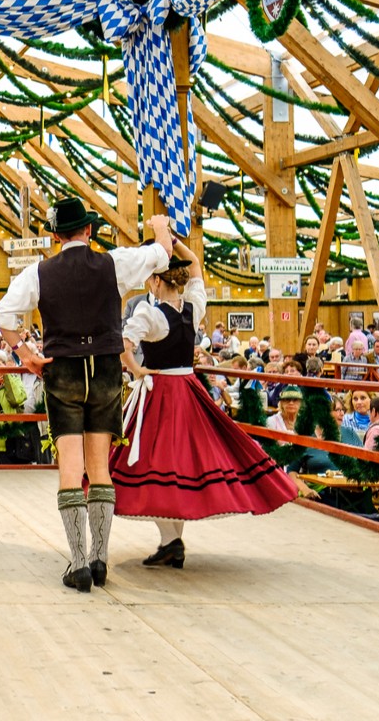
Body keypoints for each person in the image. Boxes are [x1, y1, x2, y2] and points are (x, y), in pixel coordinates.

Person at [0, 197, 172, 592]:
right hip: (106, 369)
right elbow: (162, 255)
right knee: (101, 468)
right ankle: (100, 559)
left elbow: (2, 316)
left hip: (64, 370)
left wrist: (27, 356)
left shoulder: (39, 273)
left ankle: (78, 564)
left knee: (71, 469)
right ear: (88, 230)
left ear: (55, 235)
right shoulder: (115, 263)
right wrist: (160, 225)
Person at [110, 239, 296, 569]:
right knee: (182, 464)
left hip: (160, 391)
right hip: (189, 390)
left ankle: (171, 541)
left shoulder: (150, 313)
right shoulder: (193, 308)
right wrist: (176, 243)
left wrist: (137, 369)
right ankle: (171, 543)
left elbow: (124, 343)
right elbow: (195, 264)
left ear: (154, 281)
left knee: (155, 466)